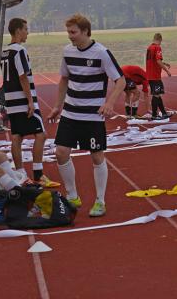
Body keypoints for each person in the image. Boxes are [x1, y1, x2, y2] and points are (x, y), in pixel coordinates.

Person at [47, 14, 125, 217]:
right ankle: (72, 196)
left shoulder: (101, 53)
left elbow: (120, 81)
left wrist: (109, 103)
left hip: (92, 115)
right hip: (70, 112)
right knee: (61, 152)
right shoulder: (67, 51)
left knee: (96, 156)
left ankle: (100, 201)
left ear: (85, 31)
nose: (70, 36)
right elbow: (64, 79)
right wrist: (57, 105)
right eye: (68, 32)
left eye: (73, 32)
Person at [0, 18, 59, 187]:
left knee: (17, 137)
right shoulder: (19, 51)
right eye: (25, 29)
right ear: (18, 30)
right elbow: (22, 76)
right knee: (41, 134)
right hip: (22, 100)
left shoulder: (4, 51)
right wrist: (30, 101)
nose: (27, 32)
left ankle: (20, 174)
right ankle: (39, 174)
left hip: (11, 101)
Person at [146, 33, 172, 120]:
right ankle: (154, 115)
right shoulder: (157, 47)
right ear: (160, 39)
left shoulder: (150, 47)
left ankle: (164, 113)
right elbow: (158, 61)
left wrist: (164, 63)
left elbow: (153, 60)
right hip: (155, 75)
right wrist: (167, 70)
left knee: (158, 94)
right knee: (156, 95)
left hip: (150, 74)